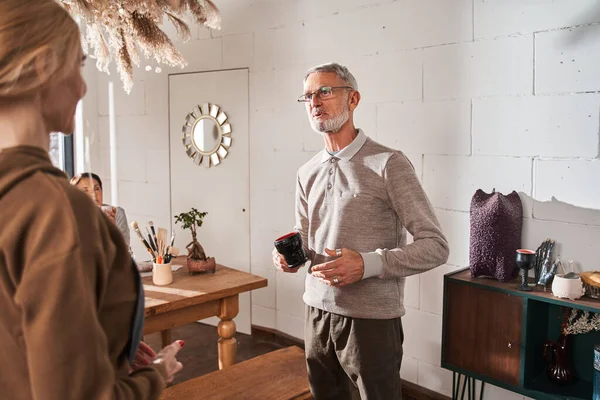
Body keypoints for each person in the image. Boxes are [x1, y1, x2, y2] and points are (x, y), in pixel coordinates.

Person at [0, 1, 183, 399]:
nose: (83, 88)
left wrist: (102, 352)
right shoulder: (56, 212)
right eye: (79, 65)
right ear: (42, 66)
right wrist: (155, 375)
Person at [272, 62, 450, 400]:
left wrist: (368, 265)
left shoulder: (388, 163)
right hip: (317, 314)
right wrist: (291, 259)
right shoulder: (306, 171)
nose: (315, 102)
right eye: (308, 95)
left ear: (353, 99)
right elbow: (307, 240)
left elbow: (436, 246)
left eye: (325, 91)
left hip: (370, 322)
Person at [70, 172, 131, 247]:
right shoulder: (68, 219)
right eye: (85, 190)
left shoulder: (115, 213)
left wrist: (111, 228)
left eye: (96, 189)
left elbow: (123, 249)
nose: (93, 194)